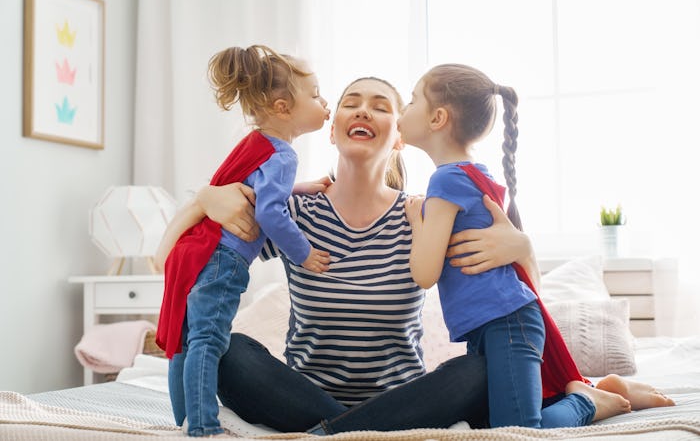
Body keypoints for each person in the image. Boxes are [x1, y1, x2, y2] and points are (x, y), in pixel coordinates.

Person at [156, 76, 671, 435]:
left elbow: (516, 303)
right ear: (333, 127)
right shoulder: (292, 210)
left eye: (380, 104)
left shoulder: (426, 216)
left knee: (480, 368)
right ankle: (347, 431)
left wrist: (526, 247)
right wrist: (204, 197)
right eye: (351, 102)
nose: (363, 110)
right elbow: (187, 260)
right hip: (299, 397)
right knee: (225, 346)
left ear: (398, 135)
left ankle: (330, 435)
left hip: (412, 401)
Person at [397, 63, 637, 429]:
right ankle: (591, 394)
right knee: (489, 424)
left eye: (412, 100)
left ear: (438, 118)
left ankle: (585, 402)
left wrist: (417, 220)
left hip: (505, 323)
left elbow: (425, 273)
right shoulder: (473, 173)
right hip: (499, 323)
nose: (404, 109)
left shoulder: (444, 181)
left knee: (519, 431)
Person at [155, 44, 331, 437]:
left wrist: (300, 189)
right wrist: (303, 253)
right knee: (208, 338)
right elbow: (269, 212)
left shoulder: (256, 144)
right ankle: (203, 427)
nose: (326, 102)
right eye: (317, 94)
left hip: (195, 252)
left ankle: (183, 420)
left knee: (186, 340)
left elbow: (257, 189)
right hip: (224, 257)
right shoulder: (284, 155)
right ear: (284, 107)